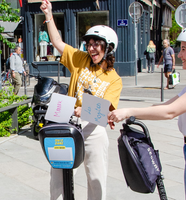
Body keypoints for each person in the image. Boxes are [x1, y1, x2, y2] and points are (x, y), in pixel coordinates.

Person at [108, 24, 186, 200]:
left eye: (184, 49)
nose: (180, 54)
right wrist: (124, 112)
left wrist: (129, 110)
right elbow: (164, 106)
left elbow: (170, 112)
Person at [40, 1, 122, 199]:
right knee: (58, 178)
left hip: (93, 128)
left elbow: (107, 111)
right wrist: (49, 15)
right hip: (67, 122)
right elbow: (58, 43)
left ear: (108, 48)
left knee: (96, 179)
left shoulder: (114, 79)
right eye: (89, 44)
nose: (91, 48)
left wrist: (84, 109)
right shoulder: (80, 58)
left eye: (96, 44)